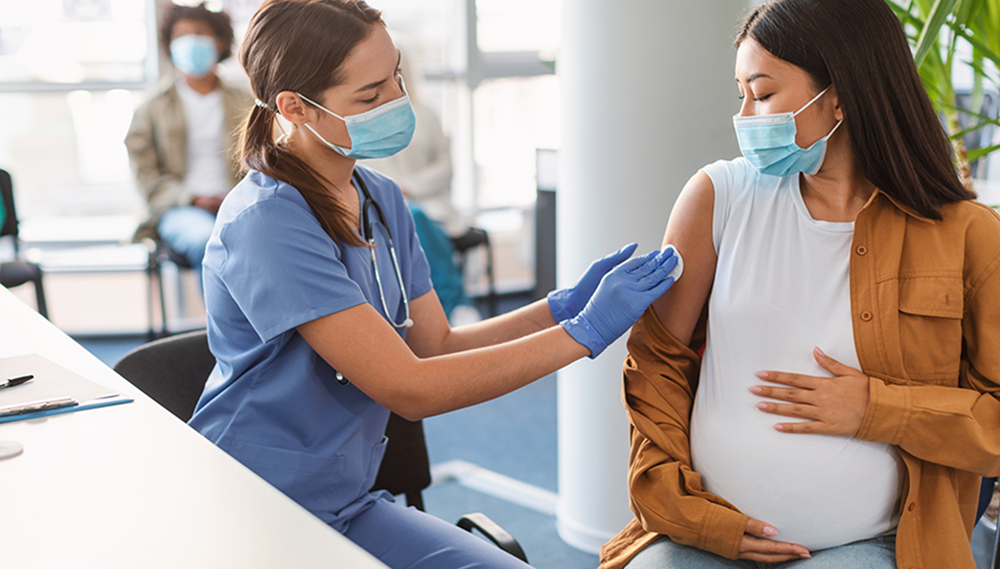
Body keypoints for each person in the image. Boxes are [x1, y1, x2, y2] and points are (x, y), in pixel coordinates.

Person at [186, 2, 680, 568]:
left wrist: (557, 308)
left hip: (343, 500)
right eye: (370, 97)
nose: (396, 101)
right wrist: (583, 333)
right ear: (295, 107)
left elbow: (435, 345)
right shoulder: (266, 222)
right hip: (256, 506)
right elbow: (411, 388)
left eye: (395, 76)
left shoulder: (381, 199)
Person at [599, 1, 1000, 568]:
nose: (744, 115)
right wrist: (688, 511)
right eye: (740, 92)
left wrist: (878, 409)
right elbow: (656, 365)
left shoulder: (968, 235)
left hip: (873, 541)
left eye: (761, 94)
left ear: (841, 95)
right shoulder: (718, 197)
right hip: (707, 530)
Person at [125, 2, 252, 275]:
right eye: (180, 35)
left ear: (219, 42)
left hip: (240, 203)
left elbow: (266, 160)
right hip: (180, 209)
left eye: (200, 33)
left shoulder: (245, 101)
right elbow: (147, 178)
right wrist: (193, 198)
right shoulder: (151, 109)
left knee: (272, 238)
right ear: (169, 45)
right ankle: (225, 319)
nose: (190, 41)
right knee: (210, 241)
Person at [365, 54, 480, 325]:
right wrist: (394, 190)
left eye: (397, 73)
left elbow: (445, 166)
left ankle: (452, 307)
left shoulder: (425, 113)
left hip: (429, 201)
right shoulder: (361, 121)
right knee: (411, 218)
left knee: (418, 219)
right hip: (386, 205)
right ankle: (448, 309)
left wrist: (411, 187)